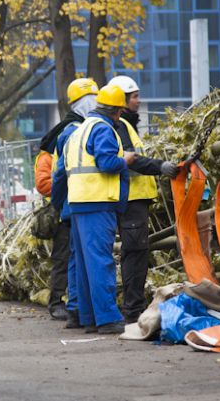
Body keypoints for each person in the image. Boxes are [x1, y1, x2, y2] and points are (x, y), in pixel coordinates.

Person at [59, 84, 136, 335]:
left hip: (79, 203)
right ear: (116, 112)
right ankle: (107, 318)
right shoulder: (102, 129)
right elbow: (106, 163)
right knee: (101, 263)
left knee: (84, 265)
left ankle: (89, 317)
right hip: (98, 202)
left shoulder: (80, 130)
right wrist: (125, 160)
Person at [107, 76, 179, 323]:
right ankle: (133, 310)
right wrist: (161, 166)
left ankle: (132, 307)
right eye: (134, 96)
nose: (139, 101)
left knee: (135, 253)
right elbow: (131, 161)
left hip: (135, 199)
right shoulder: (121, 126)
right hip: (132, 199)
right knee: (135, 254)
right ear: (122, 100)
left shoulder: (125, 125)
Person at [35, 78, 99, 321]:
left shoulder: (82, 128)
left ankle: (74, 302)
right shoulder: (64, 135)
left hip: (77, 202)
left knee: (72, 256)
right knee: (63, 257)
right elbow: (44, 182)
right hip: (66, 206)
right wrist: (71, 185)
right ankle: (56, 302)